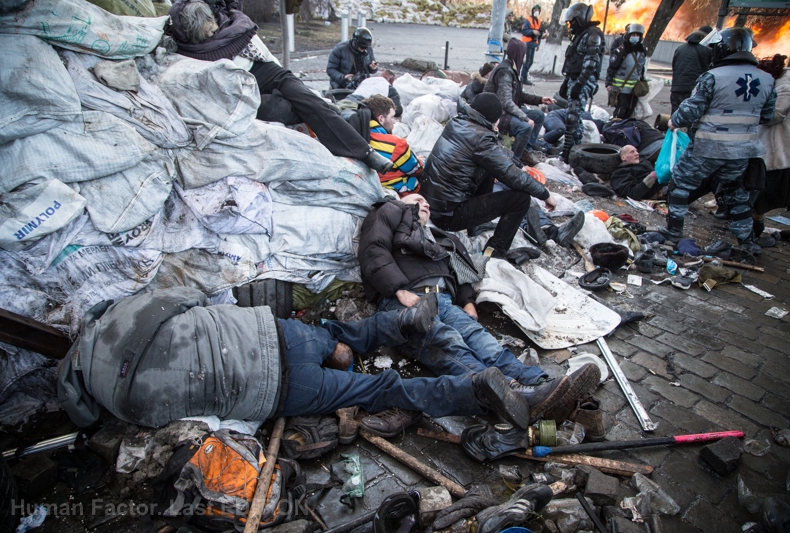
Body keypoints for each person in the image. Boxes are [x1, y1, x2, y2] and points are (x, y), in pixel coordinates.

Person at [57, 287, 535, 431]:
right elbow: (194, 297)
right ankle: (386, 329)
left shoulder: (125, 407)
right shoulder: (130, 310)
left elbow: (200, 422)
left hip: (277, 394)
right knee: (336, 335)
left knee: (381, 391)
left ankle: (476, 392)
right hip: (275, 336)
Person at [358, 194, 600, 425]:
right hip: (405, 301)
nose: (425, 205)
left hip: (442, 301)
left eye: (428, 204)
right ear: (402, 202)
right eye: (417, 200)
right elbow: (373, 248)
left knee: (482, 340)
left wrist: (467, 301)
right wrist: (399, 290)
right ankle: (512, 394)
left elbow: (460, 270)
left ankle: (540, 382)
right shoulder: (388, 210)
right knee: (447, 344)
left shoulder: (438, 237)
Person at [168, 0, 392, 174]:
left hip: (260, 68)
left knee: (298, 91)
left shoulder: (224, 14)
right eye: (208, 35)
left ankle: (364, 151)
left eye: (213, 30)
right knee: (281, 109)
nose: (213, 35)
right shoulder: (183, 35)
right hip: (236, 84)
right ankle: (322, 113)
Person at [662, 28, 776, 254]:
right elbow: (767, 116)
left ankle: (673, 232)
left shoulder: (713, 77)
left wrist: (674, 121)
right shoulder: (767, 79)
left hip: (708, 147)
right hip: (742, 151)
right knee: (735, 191)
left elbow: (690, 112)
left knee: (680, 186)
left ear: (723, 48)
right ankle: (746, 241)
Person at [419, 93, 558, 259]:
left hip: (434, 203)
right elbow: (511, 175)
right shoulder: (482, 139)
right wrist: (545, 194)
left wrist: (520, 165)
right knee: (520, 199)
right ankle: (495, 252)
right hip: (448, 215)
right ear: (494, 119)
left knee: (490, 169)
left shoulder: (459, 122)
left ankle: (476, 226)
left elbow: (497, 152)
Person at [484, 38, 556, 166]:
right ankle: (514, 161)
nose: (525, 56)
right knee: (525, 127)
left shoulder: (512, 70)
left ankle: (525, 151)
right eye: (524, 53)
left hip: (507, 111)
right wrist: (525, 117)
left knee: (539, 116)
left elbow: (519, 96)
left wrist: (540, 100)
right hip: (499, 114)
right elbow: (505, 102)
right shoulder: (505, 72)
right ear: (519, 53)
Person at [345, 95, 423, 197]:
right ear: (381, 118)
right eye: (392, 117)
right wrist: (420, 161)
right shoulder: (395, 144)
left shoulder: (354, 137)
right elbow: (416, 170)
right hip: (400, 195)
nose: (394, 122)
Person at [559, 2, 605, 160]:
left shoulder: (593, 35)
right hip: (575, 79)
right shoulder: (581, 34)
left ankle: (572, 153)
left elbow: (590, 64)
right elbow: (573, 60)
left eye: (572, 21)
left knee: (573, 118)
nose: (570, 25)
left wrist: (579, 84)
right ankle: (569, 151)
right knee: (571, 117)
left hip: (583, 81)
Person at [753, 54, 790, 247]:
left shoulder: (784, 87)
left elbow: (775, 115)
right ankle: (755, 227)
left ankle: (755, 229)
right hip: (773, 149)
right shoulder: (779, 83)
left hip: (779, 151)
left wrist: (753, 109)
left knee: (765, 194)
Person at [606, 23, 646, 119]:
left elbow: (641, 68)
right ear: (628, 35)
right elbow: (612, 68)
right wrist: (609, 83)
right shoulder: (621, 51)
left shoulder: (642, 51)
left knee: (630, 112)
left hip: (634, 89)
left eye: (637, 35)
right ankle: (614, 129)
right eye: (633, 35)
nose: (635, 37)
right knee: (620, 111)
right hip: (621, 89)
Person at [670, 26, 714, 114]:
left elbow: (674, 67)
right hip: (693, 91)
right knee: (690, 119)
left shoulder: (680, 49)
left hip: (676, 89)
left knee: (675, 119)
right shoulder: (707, 51)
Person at [337, 70, 403, 116]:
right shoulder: (388, 87)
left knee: (336, 111)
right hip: (361, 105)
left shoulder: (367, 80)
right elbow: (398, 110)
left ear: (380, 75)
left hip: (348, 99)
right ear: (391, 81)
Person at [520, 4, 546, 86]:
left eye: (538, 10)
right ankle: (523, 77)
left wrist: (538, 43)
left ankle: (524, 76)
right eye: (535, 10)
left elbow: (540, 33)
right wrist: (532, 32)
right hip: (527, 43)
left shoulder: (539, 21)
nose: (536, 12)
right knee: (527, 61)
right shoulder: (528, 20)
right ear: (532, 11)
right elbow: (524, 31)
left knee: (530, 61)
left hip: (533, 44)